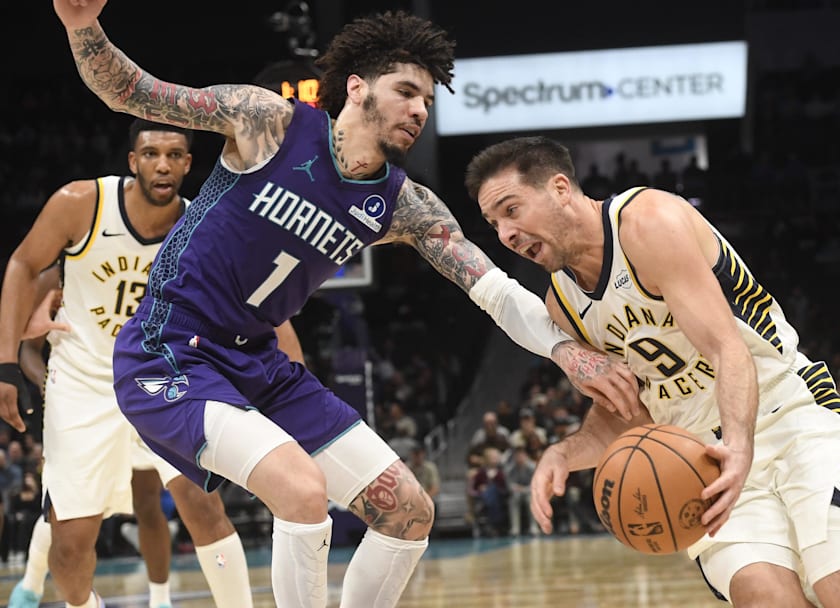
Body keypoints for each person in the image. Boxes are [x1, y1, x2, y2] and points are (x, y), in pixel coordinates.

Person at [32, 4, 638, 607]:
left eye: (426, 100)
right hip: (169, 351)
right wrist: (82, 26)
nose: (418, 110)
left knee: (409, 511)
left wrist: (565, 350)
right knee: (301, 490)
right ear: (357, 87)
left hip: (259, 362)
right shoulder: (266, 122)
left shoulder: (406, 206)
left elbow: (495, 292)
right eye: (405, 91)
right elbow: (135, 93)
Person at [465, 136, 840, 607]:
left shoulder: (648, 222)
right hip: (699, 457)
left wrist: (739, 447)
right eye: (494, 225)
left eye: (512, 210)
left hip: (786, 411)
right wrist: (565, 453)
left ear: (560, 188)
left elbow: (726, 349)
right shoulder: (562, 305)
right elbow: (626, 409)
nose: (507, 234)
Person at [0, 120, 263, 608]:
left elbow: (243, 305)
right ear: (132, 161)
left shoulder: (200, 225)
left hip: (161, 377)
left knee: (201, 506)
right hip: (83, 383)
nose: (161, 164)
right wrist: (6, 367)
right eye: (150, 154)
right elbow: (22, 265)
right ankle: (58, 594)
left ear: (187, 164)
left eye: (173, 155)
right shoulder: (81, 205)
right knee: (70, 546)